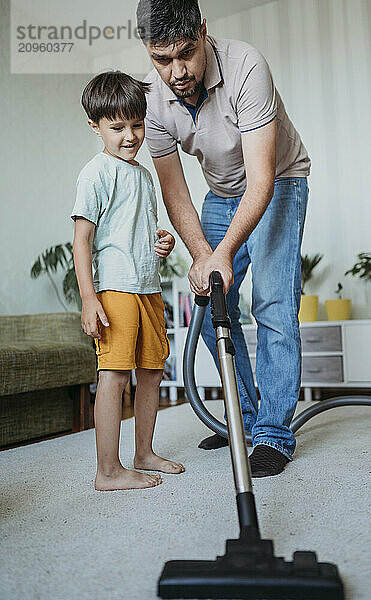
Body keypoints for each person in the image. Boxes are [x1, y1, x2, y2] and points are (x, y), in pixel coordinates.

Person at [136, 0, 311, 477]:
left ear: (203, 32)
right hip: (221, 194)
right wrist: (201, 257)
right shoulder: (150, 100)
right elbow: (174, 191)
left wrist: (224, 252)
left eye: (185, 54)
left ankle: (273, 435)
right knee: (211, 303)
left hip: (277, 183)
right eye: (161, 60)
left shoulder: (246, 67)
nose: (176, 71)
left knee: (273, 303)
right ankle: (246, 417)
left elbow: (261, 182)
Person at [71, 71, 185, 491]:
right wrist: (88, 297)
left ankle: (143, 452)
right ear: (95, 125)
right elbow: (82, 240)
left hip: (149, 288)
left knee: (152, 372)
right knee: (115, 375)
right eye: (118, 127)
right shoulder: (95, 173)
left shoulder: (142, 174)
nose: (130, 135)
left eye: (136, 124)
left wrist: (162, 241)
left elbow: (139, 227)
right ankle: (108, 471)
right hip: (116, 290)